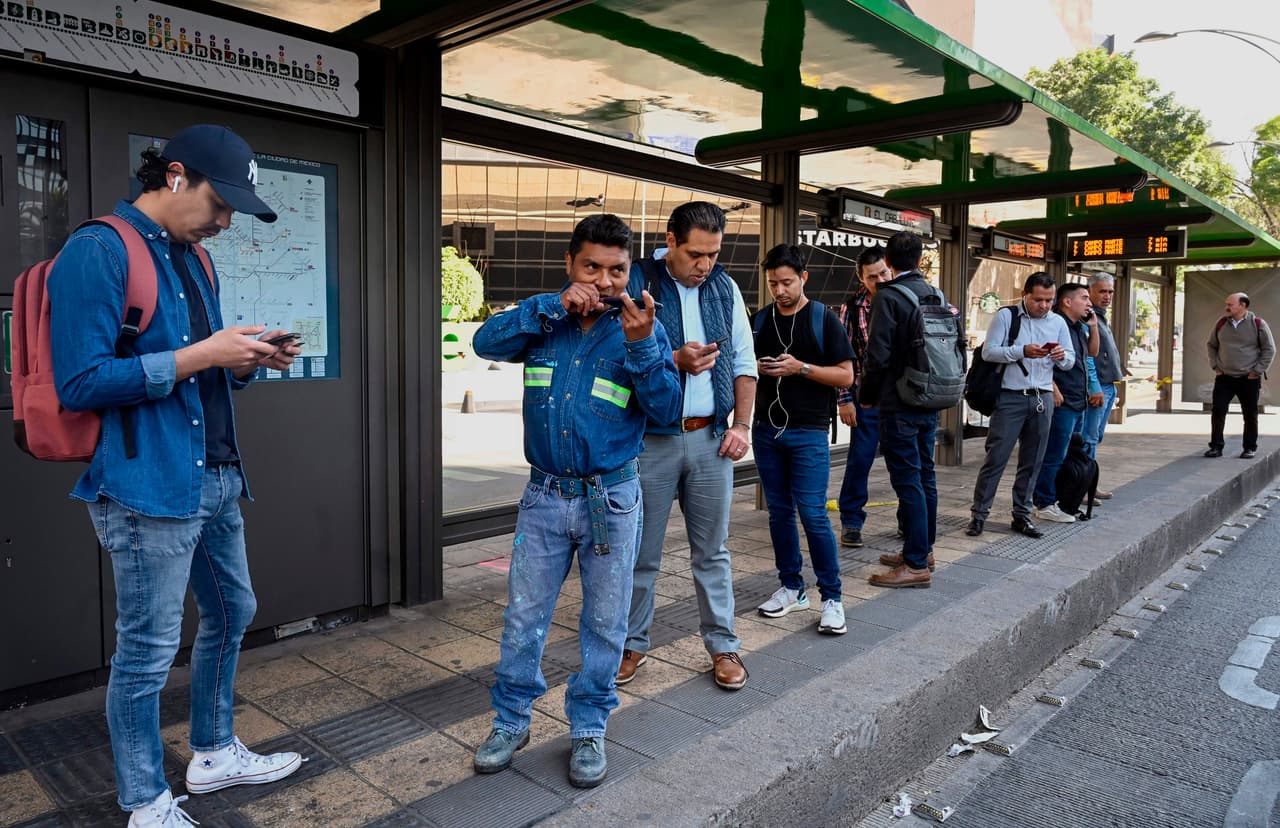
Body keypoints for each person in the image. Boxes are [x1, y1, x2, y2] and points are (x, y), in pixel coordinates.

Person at [48, 125, 304, 828]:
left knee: (232, 612)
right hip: (146, 484)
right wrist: (203, 355)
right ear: (175, 177)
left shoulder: (196, 260)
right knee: (148, 649)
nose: (226, 222)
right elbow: (81, 381)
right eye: (221, 204)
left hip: (216, 475)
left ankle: (215, 750)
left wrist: (247, 360)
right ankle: (144, 800)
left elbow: (204, 366)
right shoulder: (97, 252)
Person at [470, 214, 681, 788]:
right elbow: (484, 341)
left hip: (611, 499)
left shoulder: (643, 328)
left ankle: (589, 727)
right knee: (522, 618)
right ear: (570, 264)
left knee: (606, 623)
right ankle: (510, 721)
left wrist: (641, 348)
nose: (607, 281)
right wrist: (552, 306)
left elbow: (666, 412)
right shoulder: (546, 316)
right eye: (592, 266)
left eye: (618, 269)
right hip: (542, 497)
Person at [620, 202, 756, 692]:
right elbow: (616, 357)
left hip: (710, 439)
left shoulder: (724, 286)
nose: (705, 265)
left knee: (712, 551)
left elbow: (743, 359)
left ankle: (723, 644)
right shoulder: (638, 280)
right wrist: (672, 359)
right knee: (640, 552)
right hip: (650, 441)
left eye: (714, 254)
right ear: (671, 241)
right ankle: (630, 644)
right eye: (696, 254)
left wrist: (742, 425)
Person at [751, 244, 854, 633]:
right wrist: (760, 367)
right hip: (767, 430)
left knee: (812, 513)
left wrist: (801, 368)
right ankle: (792, 587)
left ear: (804, 278)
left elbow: (845, 376)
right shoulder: (760, 321)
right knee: (778, 512)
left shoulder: (822, 318)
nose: (780, 290)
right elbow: (742, 370)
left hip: (808, 431)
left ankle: (832, 597)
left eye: (787, 282)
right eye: (773, 283)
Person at [859, 232, 955, 588]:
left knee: (907, 479)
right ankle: (922, 548)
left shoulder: (889, 297)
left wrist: (866, 395)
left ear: (889, 259)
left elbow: (878, 355)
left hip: (899, 400)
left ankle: (915, 565)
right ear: (919, 258)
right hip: (929, 397)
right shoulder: (936, 293)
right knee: (925, 474)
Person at [966, 272, 1073, 539]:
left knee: (1033, 460)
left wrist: (1061, 355)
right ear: (1025, 295)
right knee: (996, 458)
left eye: (1049, 300)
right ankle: (979, 514)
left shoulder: (1058, 322)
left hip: (1043, 396)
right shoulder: (1007, 316)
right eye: (1038, 300)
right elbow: (989, 351)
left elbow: (1070, 360)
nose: (1044, 305)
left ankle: (1022, 515)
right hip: (1010, 396)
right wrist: (1021, 351)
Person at [835, 245, 894, 548]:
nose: (880, 280)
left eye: (884, 272)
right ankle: (852, 520)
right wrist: (845, 399)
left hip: (902, 397)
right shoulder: (853, 306)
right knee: (860, 459)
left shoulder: (905, 298)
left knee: (905, 462)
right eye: (872, 277)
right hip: (866, 396)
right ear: (862, 279)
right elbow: (845, 355)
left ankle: (910, 521)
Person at [1030, 283, 1102, 523]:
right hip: (1063, 401)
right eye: (1084, 298)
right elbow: (1043, 359)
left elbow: (1091, 353)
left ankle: (1062, 497)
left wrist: (1093, 327)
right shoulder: (1055, 325)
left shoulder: (1078, 327)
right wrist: (1053, 386)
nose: (1089, 303)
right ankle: (1044, 502)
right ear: (1067, 302)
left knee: (1069, 454)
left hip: (1077, 400)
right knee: (1054, 454)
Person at [1206, 292, 1275, 459]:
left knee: (1250, 414)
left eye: (1230, 304)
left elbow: (1269, 349)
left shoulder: (1258, 324)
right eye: (1227, 304)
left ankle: (1250, 447)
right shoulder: (1221, 323)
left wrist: (1257, 371)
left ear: (1242, 305)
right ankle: (1216, 446)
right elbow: (1211, 345)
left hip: (1248, 379)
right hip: (1225, 377)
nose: (1226, 307)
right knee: (1218, 411)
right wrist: (1215, 366)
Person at [1081, 273, 1123, 498]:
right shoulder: (1087, 318)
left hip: (1108, 385)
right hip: (1096, 387)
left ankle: (1089, 485)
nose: (1107, 296)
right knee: (1088, 437)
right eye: (1102, 291)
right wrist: (1093, 386)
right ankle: (1083, 487)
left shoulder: (1101, 317)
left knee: (1095, 437)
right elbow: (1088, 356)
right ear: (1091, 291)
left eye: (1110, 291)